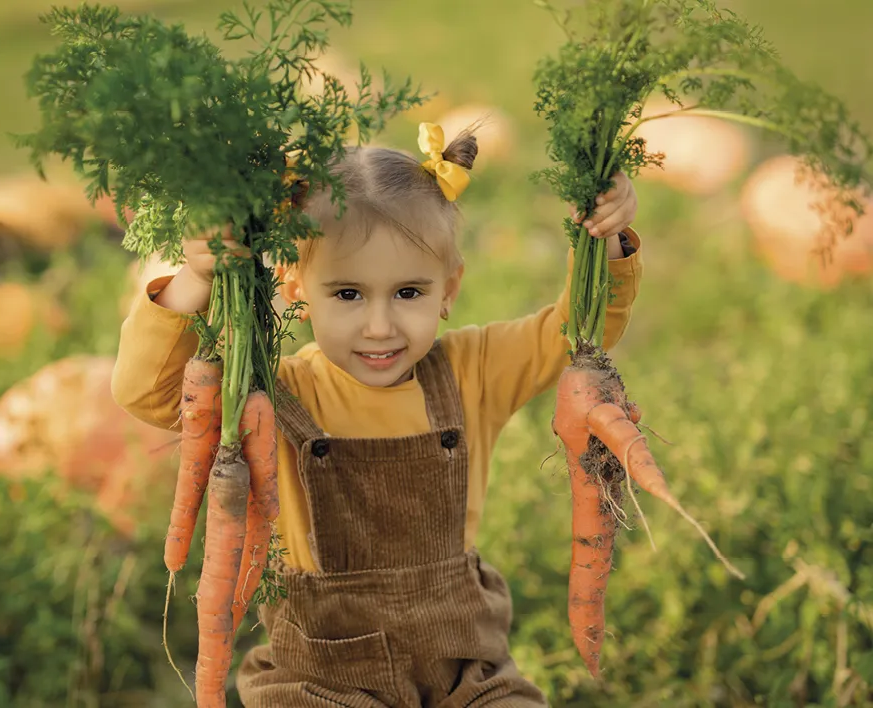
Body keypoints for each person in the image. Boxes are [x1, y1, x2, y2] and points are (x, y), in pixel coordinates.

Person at [111, 122, 642, 707]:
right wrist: (195, 279)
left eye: (409, 293)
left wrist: (604, 237)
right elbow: (150, 394)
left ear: (449, 288)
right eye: (348, 294)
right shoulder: (275, 395)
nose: (381, 326)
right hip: (318, 682)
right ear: (294, 288)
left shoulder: (474, 371)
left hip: (466, 674)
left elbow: (577, 330)